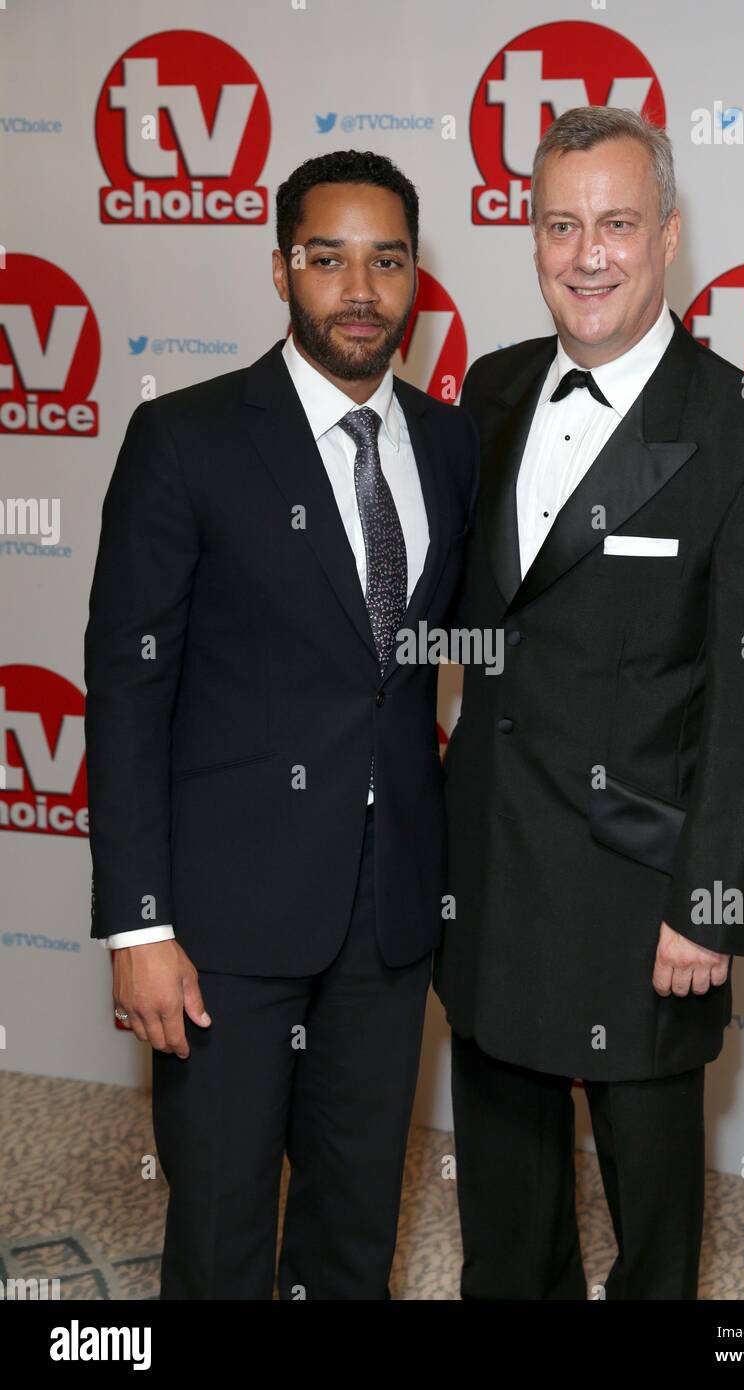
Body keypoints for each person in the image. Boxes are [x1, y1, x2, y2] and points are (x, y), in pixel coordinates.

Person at [432, 107, 744, 1300]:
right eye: (561, 225)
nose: (587, 253)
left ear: (667, 235)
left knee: (655, 1243)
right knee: (507, 1227)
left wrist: (708, 907)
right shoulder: (494, 389)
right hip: (492, 873)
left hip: (645, 895)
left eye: (615, 224)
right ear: (532, 235)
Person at [85, 149, 478, 1300]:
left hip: (390, 913)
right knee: (220, 1234)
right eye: (328, 257)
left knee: (356, 1227)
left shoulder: (449, 444)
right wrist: (137, 923)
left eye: (387, 259)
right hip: (220, 925)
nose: (359, 287)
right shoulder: (188, 439)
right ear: (280, 269)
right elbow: (127, 688)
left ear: (415, 278)